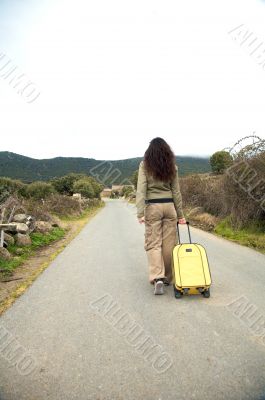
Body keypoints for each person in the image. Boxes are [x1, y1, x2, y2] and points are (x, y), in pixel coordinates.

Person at [136, 137, 186, 295]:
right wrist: (181, 215)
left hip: (153, 207)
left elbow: (141, 190)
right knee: (169, 244)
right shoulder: (172, 167)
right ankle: (167, 278)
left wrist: (140, 212)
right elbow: (176, 192)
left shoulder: (145, 165)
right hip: (170, 207)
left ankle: (158, 277)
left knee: (153, 243)